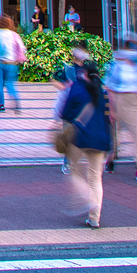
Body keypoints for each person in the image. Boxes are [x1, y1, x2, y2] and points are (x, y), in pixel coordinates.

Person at [57, 48, 112, 228]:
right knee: (96, 178)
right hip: (100, 140)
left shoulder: (78, 88)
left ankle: (85, 198)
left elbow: (65, 113)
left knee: (72, 169)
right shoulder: (102, 91)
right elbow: (108, 118)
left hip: (80, 138)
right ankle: (94, 217)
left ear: (84, 74)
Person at [107, 34, 137, 181]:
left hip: (135, 101)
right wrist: (112, 109)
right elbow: (110, 87)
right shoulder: (118, 67)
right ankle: (111, 159)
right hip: (120, 100)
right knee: (115, 135)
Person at [0, 15, 27, 113]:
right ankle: (15, 98)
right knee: (10, 83)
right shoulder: (14, 35)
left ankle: (1, 105)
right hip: (12, 63)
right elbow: (22, 48)